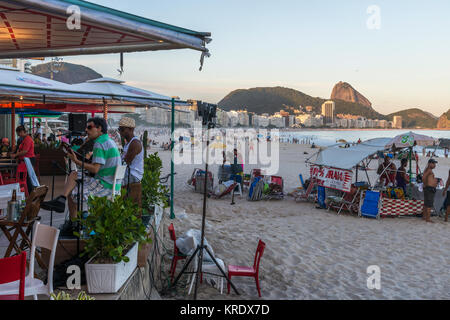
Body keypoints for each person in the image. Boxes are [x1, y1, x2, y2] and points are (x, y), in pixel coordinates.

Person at [41, 117, 122, 219]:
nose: (86, 130)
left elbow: (95, 169)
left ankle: (74, 222)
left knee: (73, 191)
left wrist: (76, 161)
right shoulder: (109, 140)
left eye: (89, 127)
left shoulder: (99, 143)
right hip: (111, 184)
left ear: (99, 128)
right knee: (74, 174)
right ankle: (62, 200)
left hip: (105, 186)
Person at [10, 125, 36, 194]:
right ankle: (27, 193)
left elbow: (25, 151)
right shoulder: (24, 139)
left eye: (18, 133)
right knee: (25, 177)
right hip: (26, 160)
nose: (18, 135)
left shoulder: (27, 139)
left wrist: (15, 155)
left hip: (29, 160)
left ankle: (30, 194)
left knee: (27, 178)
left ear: (22, 132)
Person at [118, 117, 143, 186]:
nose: (120, 132)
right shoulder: (128, 143)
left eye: (122, 129)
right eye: (119, 129)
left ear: (131, 129)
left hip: (133, 175)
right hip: (128, 173)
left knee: (110, 183)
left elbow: (125, 163)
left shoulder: (135, 143)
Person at [422, 158, 438, 223]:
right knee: (429, 204)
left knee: (426, 203)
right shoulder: (429, 170)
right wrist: (425, 184)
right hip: (429, 188)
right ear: (429, 163)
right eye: (433, 163)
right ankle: (428, 219)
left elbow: (425, 177)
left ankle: (424, 217)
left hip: (428, 188)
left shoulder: (428, 170)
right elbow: (423, 177)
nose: (435, 165)